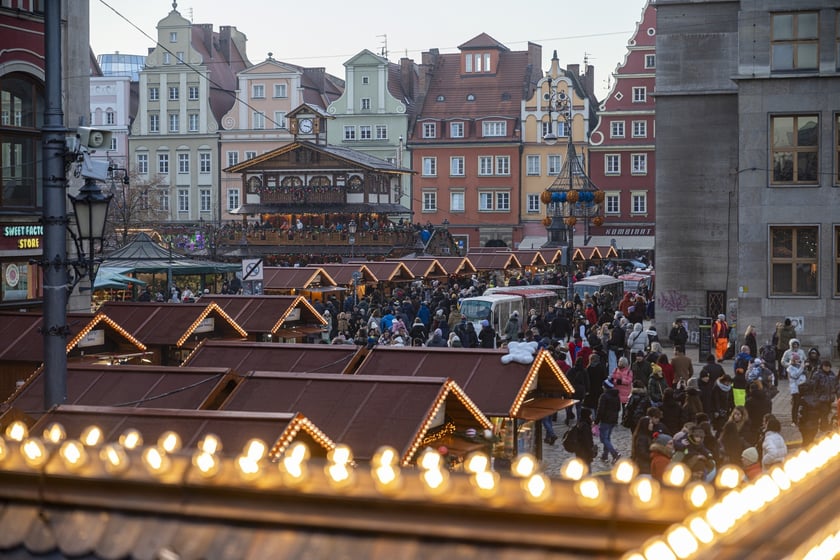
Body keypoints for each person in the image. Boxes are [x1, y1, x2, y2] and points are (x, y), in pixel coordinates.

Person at [596, 378, 622, 463]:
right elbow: (619, 408)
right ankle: (605, 455)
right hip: (613, 420)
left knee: (604, 439)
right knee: (607, 438)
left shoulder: (604, 396)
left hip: (605, 420)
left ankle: (614, 454)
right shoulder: (616, 395)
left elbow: (600, 410)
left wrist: (596, 421)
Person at [787, 353, 807, 425]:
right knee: (796, 404)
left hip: (802, 387)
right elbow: (795, 375)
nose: (797, 361)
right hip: (795, 389)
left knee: (803, 403)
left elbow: (804, 376)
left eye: (798, 360)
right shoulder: (790, 368)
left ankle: (802, 418)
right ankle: (794, 420)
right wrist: (802, 368)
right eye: (795, 360)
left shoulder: (800, 367)